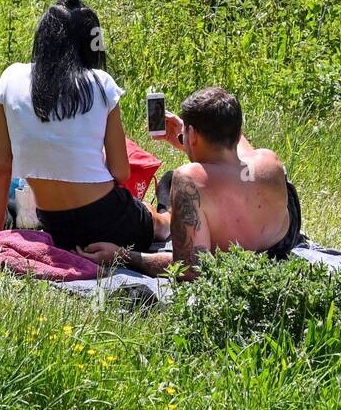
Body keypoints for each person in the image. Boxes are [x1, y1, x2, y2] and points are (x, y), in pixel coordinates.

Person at [0, 0, 170, 254]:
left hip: (54, 225)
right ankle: (169, 216)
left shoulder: (11, 78)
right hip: (109, 220)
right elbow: (121, 172)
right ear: (91, 43)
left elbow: (0, 168)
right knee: (159, 219)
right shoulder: (101, 83)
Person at [78, 87, 301, 279]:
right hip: (281, 241)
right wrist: (189, 139)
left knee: (171, 182)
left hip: (233, 254)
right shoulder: (269, 160)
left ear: (192, 134)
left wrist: (122, 256)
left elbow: (190, 269)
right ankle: (207, 136)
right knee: (171, 180)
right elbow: (233, 144)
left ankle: (165, 222)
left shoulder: (189, 180)